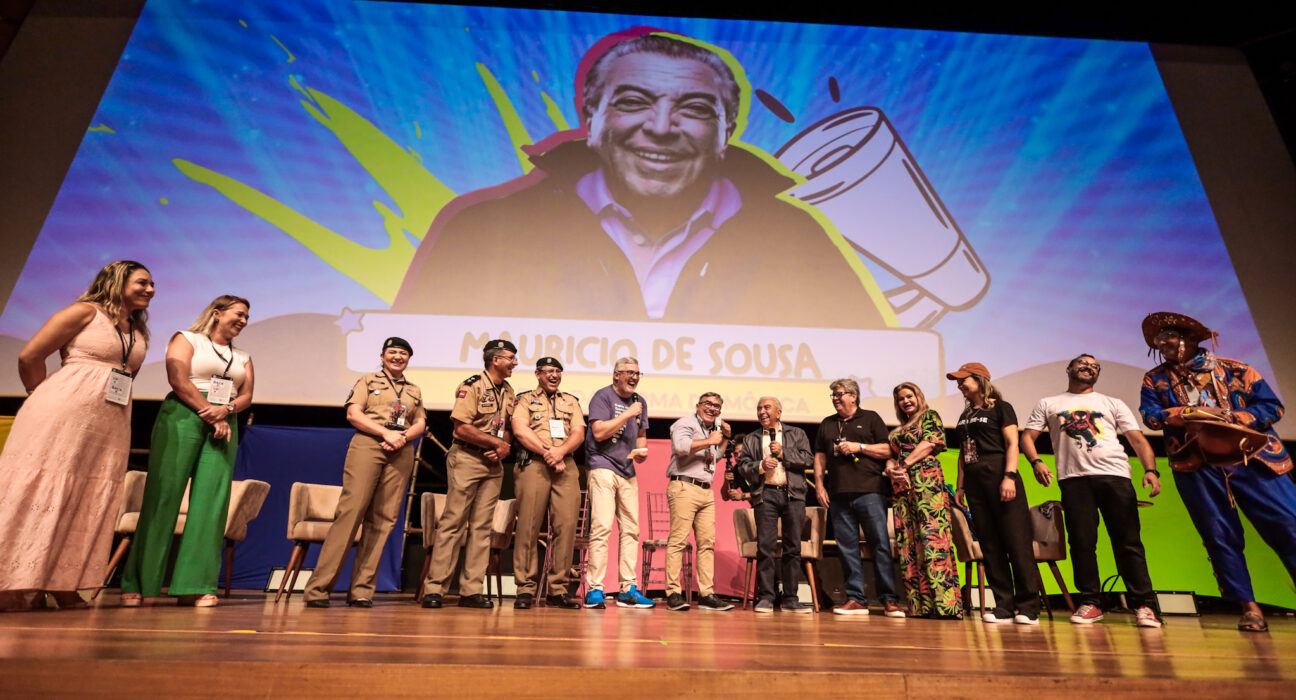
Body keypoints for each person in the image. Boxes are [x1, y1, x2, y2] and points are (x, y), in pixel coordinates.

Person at [392, 31, 891, 329]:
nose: (660, 127)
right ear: (591, 119)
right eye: (633, 102)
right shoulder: (484, 233)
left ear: (726, 135)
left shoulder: (797, 242)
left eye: (694, 109)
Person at [0, 260, 153, 611]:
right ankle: (15, 579)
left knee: (87, 495)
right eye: (142, 282)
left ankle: (64, 582)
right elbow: (30, 355)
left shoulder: (136, 330)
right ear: (117, 281)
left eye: (152, 284)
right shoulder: (84, 313)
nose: (150, 289)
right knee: (42, 488)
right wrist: (38, 393)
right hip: (60, 412)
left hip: (110, 422)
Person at [1139, 311, 1296, 633]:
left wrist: (1236, 417)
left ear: (1191, 338)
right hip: (1198, 465)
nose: (1162, 343)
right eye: (1158, 340)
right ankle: (1249, 608)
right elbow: (1151, 415)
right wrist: (1185, 413)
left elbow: (1272, 407)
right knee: (1219, 535)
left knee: (1289, 525)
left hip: (1253, 458)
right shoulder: (1155, 379)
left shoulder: (1236, 369)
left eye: (1169, 336)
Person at [121, 295, 254, 608]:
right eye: (239, 314)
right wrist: (208, 410)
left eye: (247, 317)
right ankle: (139, 581)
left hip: (225, 420)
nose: (243, 321)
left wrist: (226, 411)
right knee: (162, 496)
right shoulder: (187, 339)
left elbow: (247, 394)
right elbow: (178, 378)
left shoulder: (244, 356)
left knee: (211, 502)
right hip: (183, 414)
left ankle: (196, 584)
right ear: (217, 313)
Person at [1021, 354, 1162, 628]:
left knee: (1128, 543)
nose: (1088, 367)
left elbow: (1137, 439)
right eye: (1083, 363)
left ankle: (1144, 605)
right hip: (1074, 480)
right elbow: (1028, 436)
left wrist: (1151, 470)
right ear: (1069, 369)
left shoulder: (1112, 403)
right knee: (1083, 544)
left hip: (1115, 476)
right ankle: (1091, 602)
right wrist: (1036, 461)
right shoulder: (1049, 403)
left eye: (1094, 366)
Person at [303, 337, 425, 608]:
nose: (397, 357)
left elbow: (420, 422)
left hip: (400, 450)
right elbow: (354, 414)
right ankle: (319, 589)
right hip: (369, 444)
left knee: (383, 521)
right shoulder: (368, 381)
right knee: (350, 514)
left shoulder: (414, 389)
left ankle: (362, 590)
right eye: (392, 352)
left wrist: (402, 437)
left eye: (403, 353)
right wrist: (385, 433)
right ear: (382, 356)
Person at [421, 339, 516, 610]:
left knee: (482, 528)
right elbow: (460, 428)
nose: (515, 363)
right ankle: (435, 588)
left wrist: (501, 448)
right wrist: (494, 444)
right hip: (467, 458)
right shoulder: (472, 385)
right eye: (510, 357)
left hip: (492, 464)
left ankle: (471, 590)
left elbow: (506, 429)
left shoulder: (508, 391)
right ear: (495, 360)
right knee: (453, 523)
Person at [949, 362, 1041, 625]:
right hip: (976, 483)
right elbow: (963, 454)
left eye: (963, 380)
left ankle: (1028, 607)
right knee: (990, 545)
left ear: (979, 380)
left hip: (1000, 476)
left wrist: (1009, 476)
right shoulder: (965, 415)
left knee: (1016, 542)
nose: (959, 385)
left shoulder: (1001, 407)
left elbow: (1013, 443)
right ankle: (1003, 606)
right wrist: (961, 486)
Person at [812, 379, 900, 616]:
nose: (835, 399)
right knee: (847, 548)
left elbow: (888, 450)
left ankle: (889, 599)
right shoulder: (827, 424)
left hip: (870, 491)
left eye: (839, 394)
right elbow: (820, 457)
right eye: (833, 395)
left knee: (880, 545)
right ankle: (856, 599)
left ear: (854, 396)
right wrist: (819, 486)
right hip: (839, 494)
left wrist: (859, 447)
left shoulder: (871, 418)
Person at [510, 356, 585, 610]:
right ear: (537, 374)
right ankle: (525, 589)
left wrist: (561, 452)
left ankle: (558, 589)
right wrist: (548, 453)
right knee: (528, 526)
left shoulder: (570, 401)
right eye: (548, 371)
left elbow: (578, 432)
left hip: (566, 464)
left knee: (566, 527)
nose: (554, 375)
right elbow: (520, 430)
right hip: (534, 463)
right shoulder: (524, 399)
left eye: (558, 371)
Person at [885, 382, 962, 619]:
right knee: (909, 543)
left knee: (933, 540)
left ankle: (945, 606)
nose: (905, 401)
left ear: (918, 396)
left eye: (909, 396)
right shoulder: (899, 428)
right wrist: (892, 470)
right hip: (902, 487)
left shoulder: (929, 416)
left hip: (926, 482)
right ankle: (921, 606)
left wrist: (904, 465)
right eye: (901, 399)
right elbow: (892, 456)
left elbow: (930, 443)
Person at [583, 357, 654, 608]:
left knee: (632, 530)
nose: (634, 377)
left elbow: (642, 436)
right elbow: (599, 432)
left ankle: (628, 589)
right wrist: (626, 415)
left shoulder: (640, 402)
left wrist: (641, 452)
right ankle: (595, 589)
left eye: (637, 373)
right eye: (629, 373)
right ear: (616, 375)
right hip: (602, 465)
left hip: (627, 469)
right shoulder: (602, 397)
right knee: (602, 527)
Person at [738, 397, 814, 613]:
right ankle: (766, 597)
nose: (762, 411)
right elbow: (743, 468)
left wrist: (783, 454)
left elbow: (807, 459)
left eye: (766, 408)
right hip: (766, 495)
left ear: (778, 413)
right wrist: (760, 466)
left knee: (793, 547)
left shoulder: (796, 433)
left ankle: (791, 598)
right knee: (765, 548)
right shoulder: (752, 438)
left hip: (793, 495)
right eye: (759, 408)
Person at [664, 392, 735, 612]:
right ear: (698, 406)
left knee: (707, 544)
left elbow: (716, 456)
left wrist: (723, 439)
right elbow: (681, 447)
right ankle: (673, 593)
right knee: (678, 541)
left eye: (717, 406)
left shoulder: (712, 430)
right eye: (708, 404)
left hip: (706, 491)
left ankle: (706, 594)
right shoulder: (684, 424)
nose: (712, 408)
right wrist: (710, 440)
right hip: (685, 486)